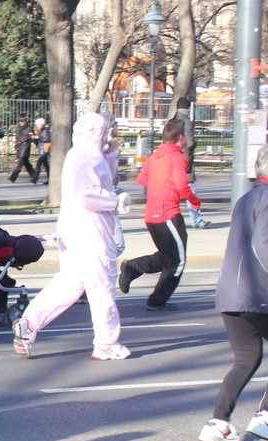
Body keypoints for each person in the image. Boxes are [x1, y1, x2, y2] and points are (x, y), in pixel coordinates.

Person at [12, 112, 131, 361]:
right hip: (93, 232)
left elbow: (98, 183)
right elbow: (87, 194)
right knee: (102, 288)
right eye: (108, 129)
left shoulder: (81, 153)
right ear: (99, 131)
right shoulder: (90, 155)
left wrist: (111, 154)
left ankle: (29, 323)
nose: (111, 132)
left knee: (69, 284)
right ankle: (106, 344)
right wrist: (114, 201)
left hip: (75, 230)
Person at [197, 144, 268, 441]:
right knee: (247, 357)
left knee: (247, 358)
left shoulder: (246, 198)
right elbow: (264, 244)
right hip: (257, 294)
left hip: (232, 293)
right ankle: (264, 418)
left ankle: (218, 422)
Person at [118, 117, 201, 312]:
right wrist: (195, 201)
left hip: (152, 215)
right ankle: (157, 300)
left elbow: (142, 178)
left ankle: (134, 268)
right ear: (181, 137)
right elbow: (182, 186)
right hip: (168, 215)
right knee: (178, 261)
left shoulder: (156, 155)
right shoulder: (176, 157)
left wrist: (160, 189)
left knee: (168, 257)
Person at [174, 97, 211, 230]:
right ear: (188, 108)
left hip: (173, 160)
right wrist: (194, 144)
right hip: (186, 162)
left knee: (173, 194)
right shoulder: (186, 121)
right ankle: (196, 220)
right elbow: (189, 143)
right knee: (191, 192)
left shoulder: (173, 120)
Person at [8, 116, 36, 183]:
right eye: (20, 121)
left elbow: (32, 137)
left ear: (25, 121)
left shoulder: (29, 128)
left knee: (20, 164)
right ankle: (35, 176)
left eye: (22, 121)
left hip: (25, 148)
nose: (20, 122)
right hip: (20, 148)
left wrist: (36, 142)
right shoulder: (20, 128)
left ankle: (12, 177)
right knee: (27, 164)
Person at [32, 117, 51, 184]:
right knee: (45, 164)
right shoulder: (41, 130)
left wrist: (38, 137)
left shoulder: (45, 130)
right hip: (42, 148)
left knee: (39, 163)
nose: (37, 126)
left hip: (44, 148)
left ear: (42, 124)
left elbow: (47, 139)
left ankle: (35, 178)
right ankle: (49, 178)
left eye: (38, 124)